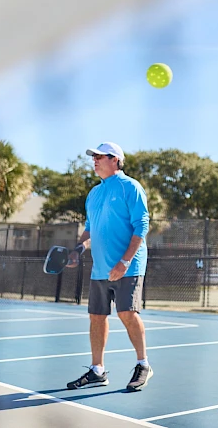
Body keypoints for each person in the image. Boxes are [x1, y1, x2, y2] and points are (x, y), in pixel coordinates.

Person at [65, 141, 153, 392]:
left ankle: (143, 364)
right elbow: (90, 230)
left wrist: (125, 262)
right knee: (96, 317)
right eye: (93, 157)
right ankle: (97, 370)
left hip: (129, 265)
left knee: (127, 313)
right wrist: (78, 250)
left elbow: (141, 226)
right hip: (100, 268)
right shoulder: (94, 194)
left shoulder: (131, 187)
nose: (94, 160)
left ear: (115, 159)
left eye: (99, 156)